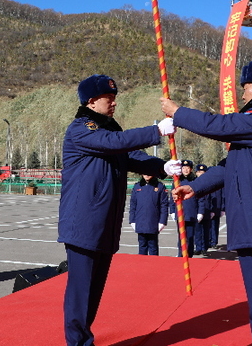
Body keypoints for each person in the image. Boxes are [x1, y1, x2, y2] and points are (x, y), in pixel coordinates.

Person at [163, 61, 252, 346]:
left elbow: (220, 125)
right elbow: (228, 166)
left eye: (246, 88)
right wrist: (194, 187)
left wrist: (178, 113)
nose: (242, 94)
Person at [59, 74, 180, 346]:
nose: (114, 103)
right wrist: (155, 131)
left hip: (105, 223)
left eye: (115, 98)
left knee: (94, 292)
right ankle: (77, 343)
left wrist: (161, 167)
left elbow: (130, 156)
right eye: (109, 98)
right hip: (83, 223)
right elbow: (114, 143)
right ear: (91, 101)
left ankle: (83, 339)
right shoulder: (81, 129)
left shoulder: (109, 130)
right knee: (81, 292)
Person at [169, 160, 204, 258]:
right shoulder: (177, 181)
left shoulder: (195, 181)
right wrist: (172, 210)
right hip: (180, 213)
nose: (185, 170)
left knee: (190, 236)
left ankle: (189, 256)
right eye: (183, 168)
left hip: (191, 213)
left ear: (191, 169)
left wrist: (200, 212)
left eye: (187, 168)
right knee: (181, 236)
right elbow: (172, 197)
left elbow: (201, 197)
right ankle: (181, 255)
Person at [129, 173, 169, 256]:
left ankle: (154, 264)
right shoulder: (137, 186)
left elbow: (164, 205)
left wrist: (162, 222)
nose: (147, 175)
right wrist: (132, 220)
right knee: (142, 246)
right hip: (140, 221)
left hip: (153, 222)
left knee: (153, 247)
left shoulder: (160, 186)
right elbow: (133, 204)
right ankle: (141, 263)